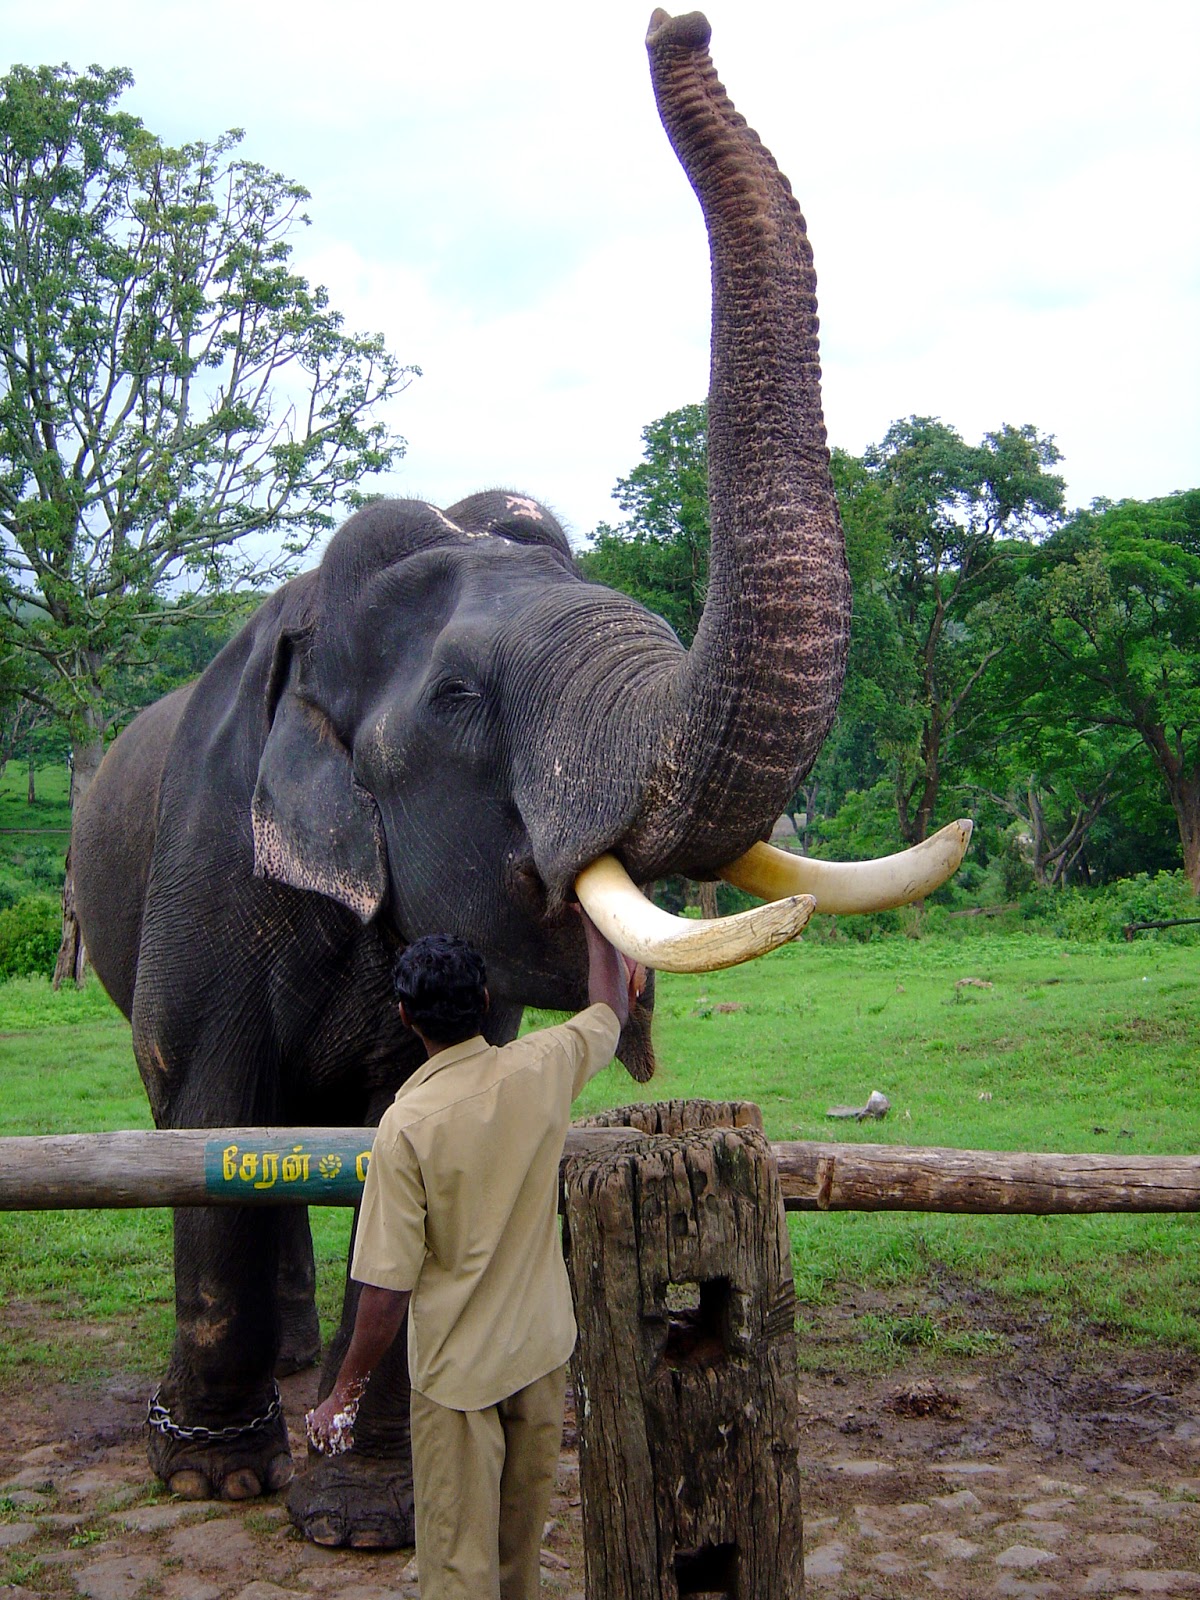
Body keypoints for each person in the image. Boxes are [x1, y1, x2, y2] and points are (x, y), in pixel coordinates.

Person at [306, 913, 641, 1600]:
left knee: (460, 1569)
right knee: (518, 1559)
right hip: (541, 1357)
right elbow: (611, 1007)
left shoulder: (405, 1128)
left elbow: (385, 1292)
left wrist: (344, 1392)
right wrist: (597, 925)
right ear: (486, 1003)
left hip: (459, 1384)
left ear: (406, 1018)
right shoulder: (542, 1067)